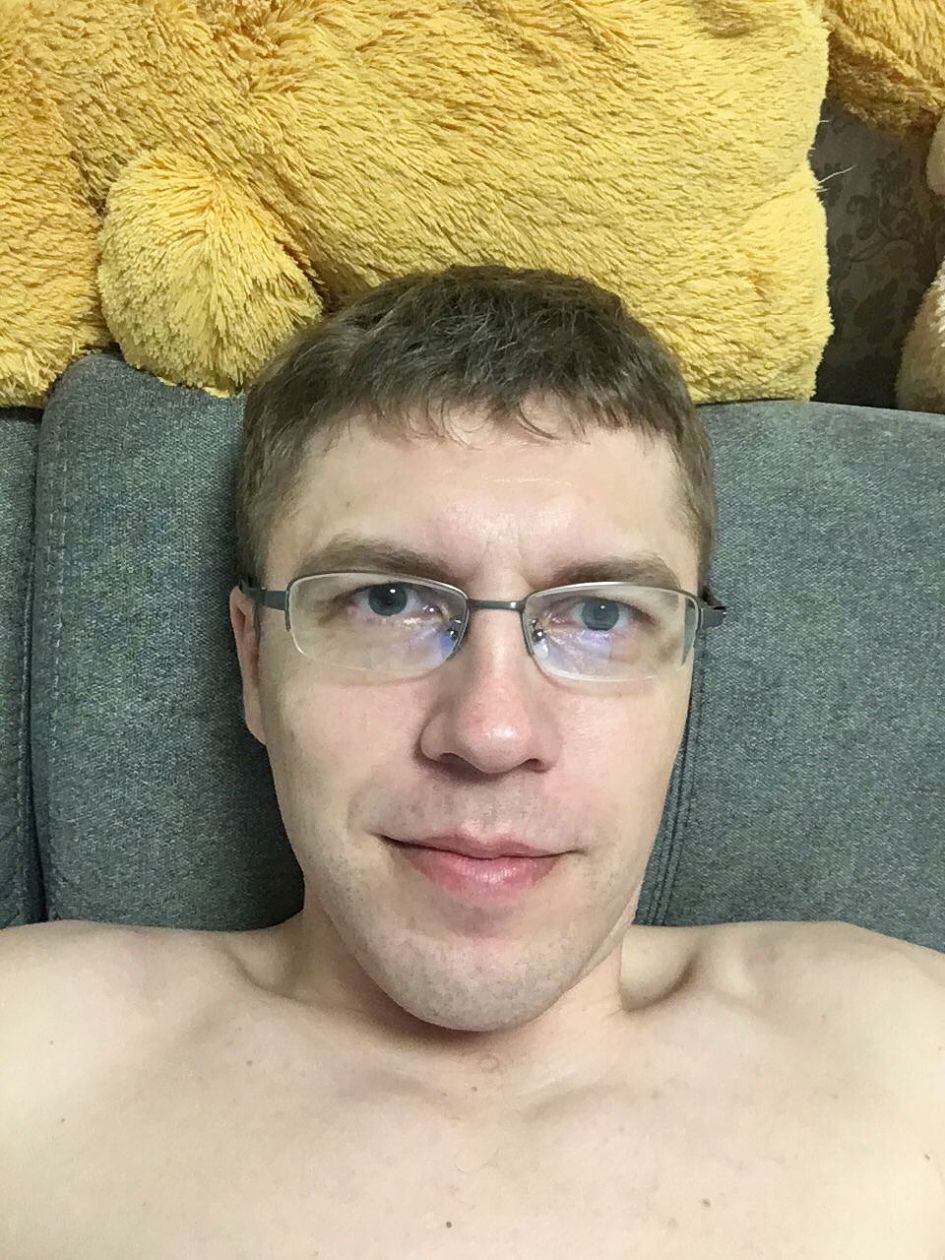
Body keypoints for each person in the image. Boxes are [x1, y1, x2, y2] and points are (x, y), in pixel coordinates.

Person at [2, 263, 944, 1258]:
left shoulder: (908, 1060)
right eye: (387, 602)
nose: (492, 734)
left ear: (686, 673)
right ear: (254, 663)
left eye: (599, 614)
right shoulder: (33, 1056)